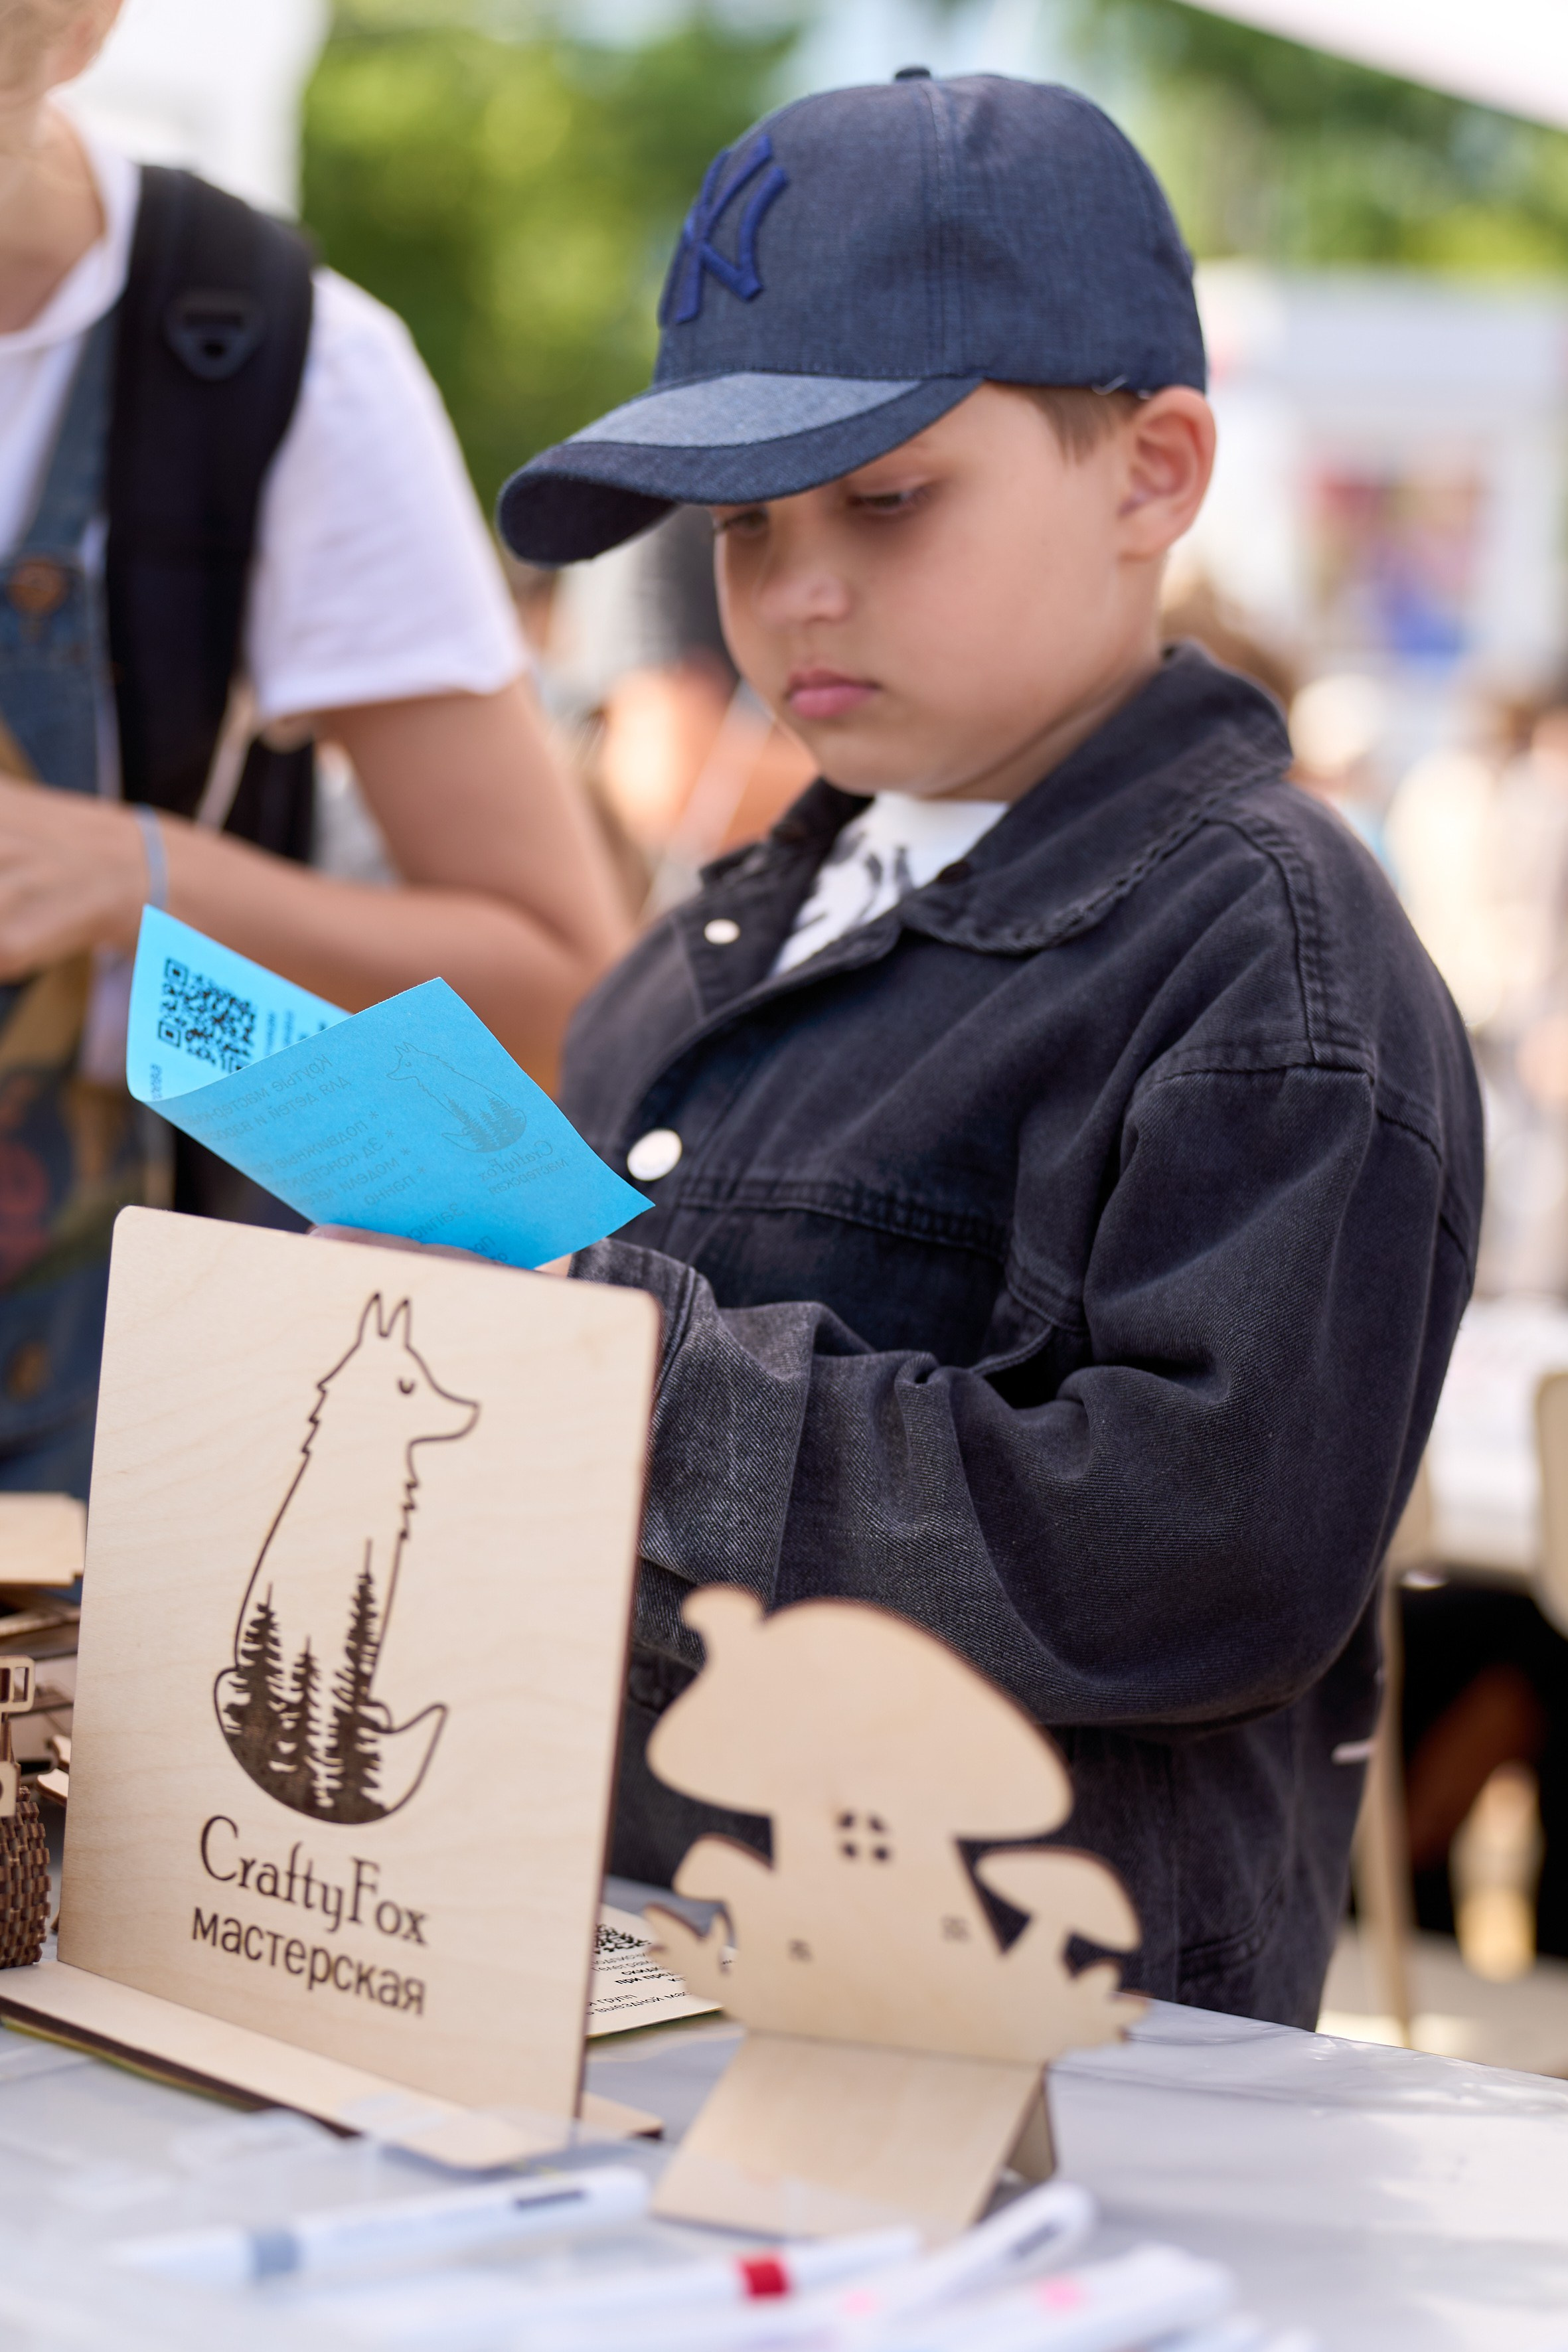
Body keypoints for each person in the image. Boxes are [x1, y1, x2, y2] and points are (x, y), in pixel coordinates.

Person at [498, 72, 1484, 2026]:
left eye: (883, 498)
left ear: (1152, 471)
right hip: (630, 2006)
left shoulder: (1264, 961)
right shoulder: (720, 924)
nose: (796, 588)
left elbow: (1205, 1545)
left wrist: (641, 1392)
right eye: (743, 523)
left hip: (1037, 2092)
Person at [0, 0, 629, 1496]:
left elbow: (558, 987)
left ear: (81, 27)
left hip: (88, 1431)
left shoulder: (264, 360)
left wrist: (132, 873)